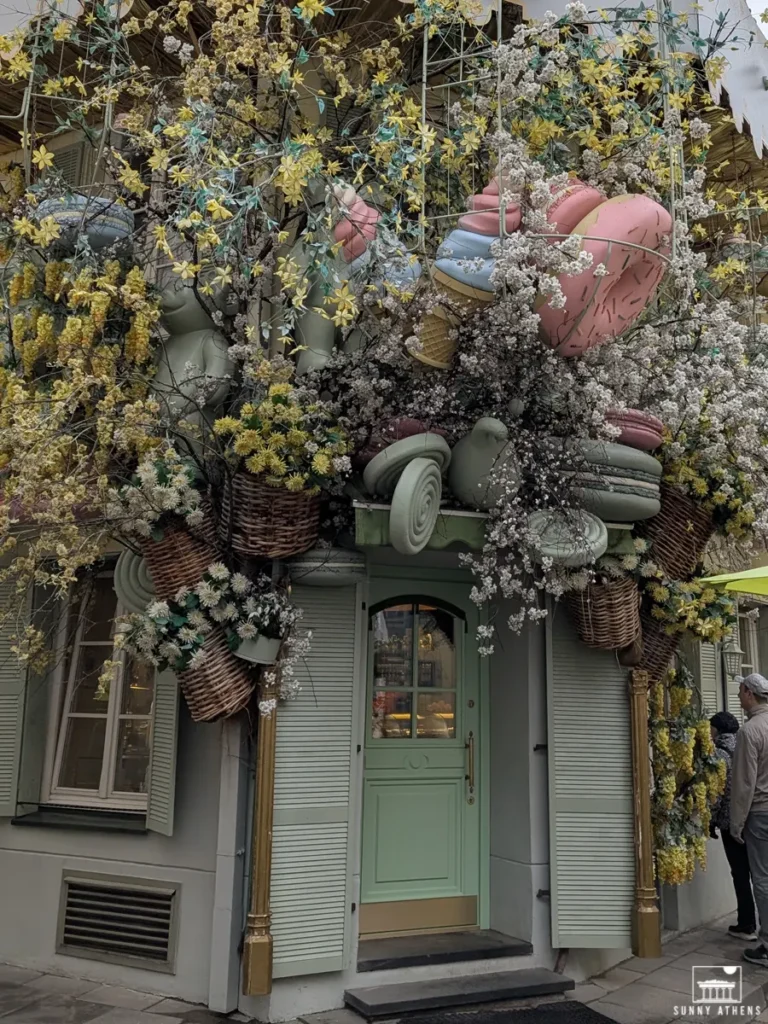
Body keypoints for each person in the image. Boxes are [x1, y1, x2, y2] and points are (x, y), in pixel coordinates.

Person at [730, 673, 768, 966]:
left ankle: (766, 943)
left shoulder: (750, 731)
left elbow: (744, 783)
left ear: (749, 694)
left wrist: (736, 823)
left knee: (763, 879)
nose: (740, 696)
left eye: (741, 690)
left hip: (760, 813)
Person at [710, 711, 757, 941]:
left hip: (730, 823)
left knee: (740, 873)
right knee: (758, 874)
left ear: (717, 730)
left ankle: (746, 923)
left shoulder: (719, 754)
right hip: (752, 817)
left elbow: (717, 794)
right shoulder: (745, 746)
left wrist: (711, 820)